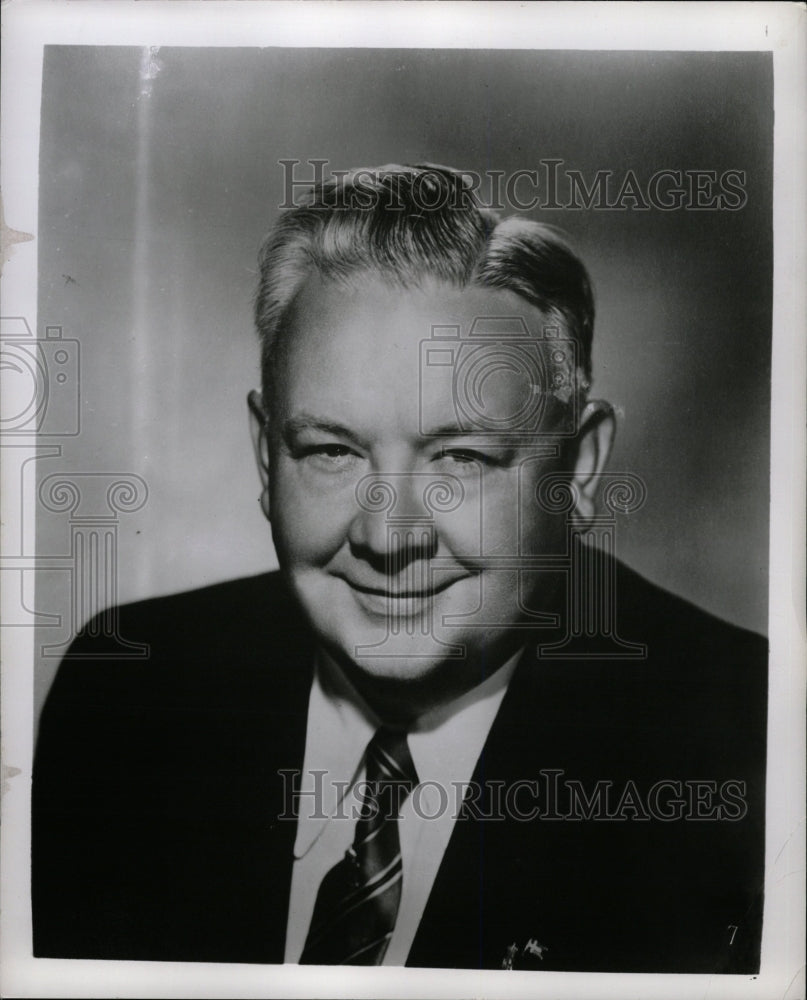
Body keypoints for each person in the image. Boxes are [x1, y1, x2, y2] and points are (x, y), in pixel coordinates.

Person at [32, 164, 767, 972]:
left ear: (580, 469)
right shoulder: (130, 691)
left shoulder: (746, 750)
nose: (389, 535)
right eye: (331, 451)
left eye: (461, 455)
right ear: (265, 456)